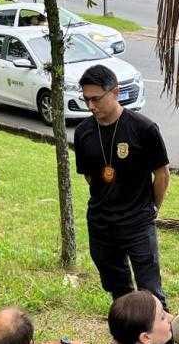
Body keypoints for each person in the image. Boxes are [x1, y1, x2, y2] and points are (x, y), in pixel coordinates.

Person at [73, 65, 171, 308]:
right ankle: (128, 342)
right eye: (86, 99)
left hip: (137, 222)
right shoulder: (83, 132)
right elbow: (89, 176)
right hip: (101, 223)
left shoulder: (143, 129)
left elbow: (162, 174)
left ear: (115, 92)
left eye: (96, 99)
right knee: (118, 290)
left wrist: (152, 208)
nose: (91, 106)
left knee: (151, 293)